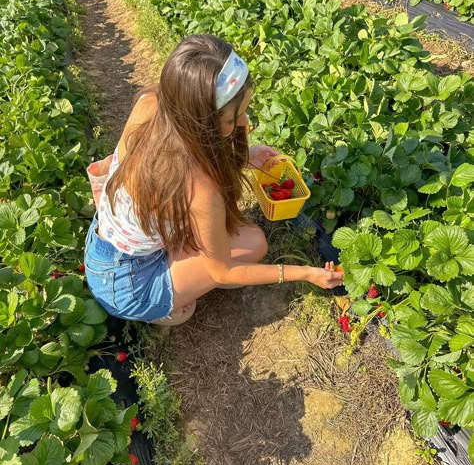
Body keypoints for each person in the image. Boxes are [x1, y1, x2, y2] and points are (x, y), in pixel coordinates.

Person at [84, 34, 344, 325]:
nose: (245, 123)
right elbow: (224, 271)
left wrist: (245, 156)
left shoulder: (153, 102)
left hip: (103, 248)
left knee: (236, 237)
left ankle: (179, 279)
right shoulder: (201, 188)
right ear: (201, 120)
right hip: (128, 287)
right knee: (254, 244)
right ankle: (163, 307)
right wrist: (307, 273)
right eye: (234, 118)